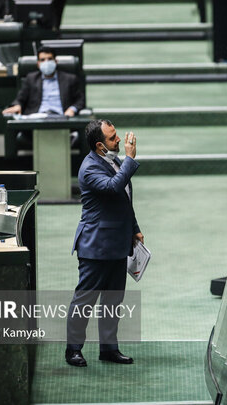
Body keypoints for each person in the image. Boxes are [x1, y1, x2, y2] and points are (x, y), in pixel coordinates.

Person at [65, 119, 143, 367]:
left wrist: (135, 229)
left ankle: (108, 348)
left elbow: (123, 200)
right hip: (96, 246)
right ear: (100, 145)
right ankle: (73, 349)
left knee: (112, 301)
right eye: (113, 138)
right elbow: (112, 187)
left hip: (118, 243)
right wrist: (130, 159)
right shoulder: (90, 168)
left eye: (117, 135)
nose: (118, 140)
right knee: (84, 301)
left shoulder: (112, 161)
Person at [2, 46, 85, 117]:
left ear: (56, 62)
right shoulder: (31, 79)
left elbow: (80, 100)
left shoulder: (69, 79)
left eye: (50, 59)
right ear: (38, 64)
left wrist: (72, 109)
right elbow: (20, 99)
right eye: (42, 60)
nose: (46, 62)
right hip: (37, 117)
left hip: (61, 117)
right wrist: (17, 105)